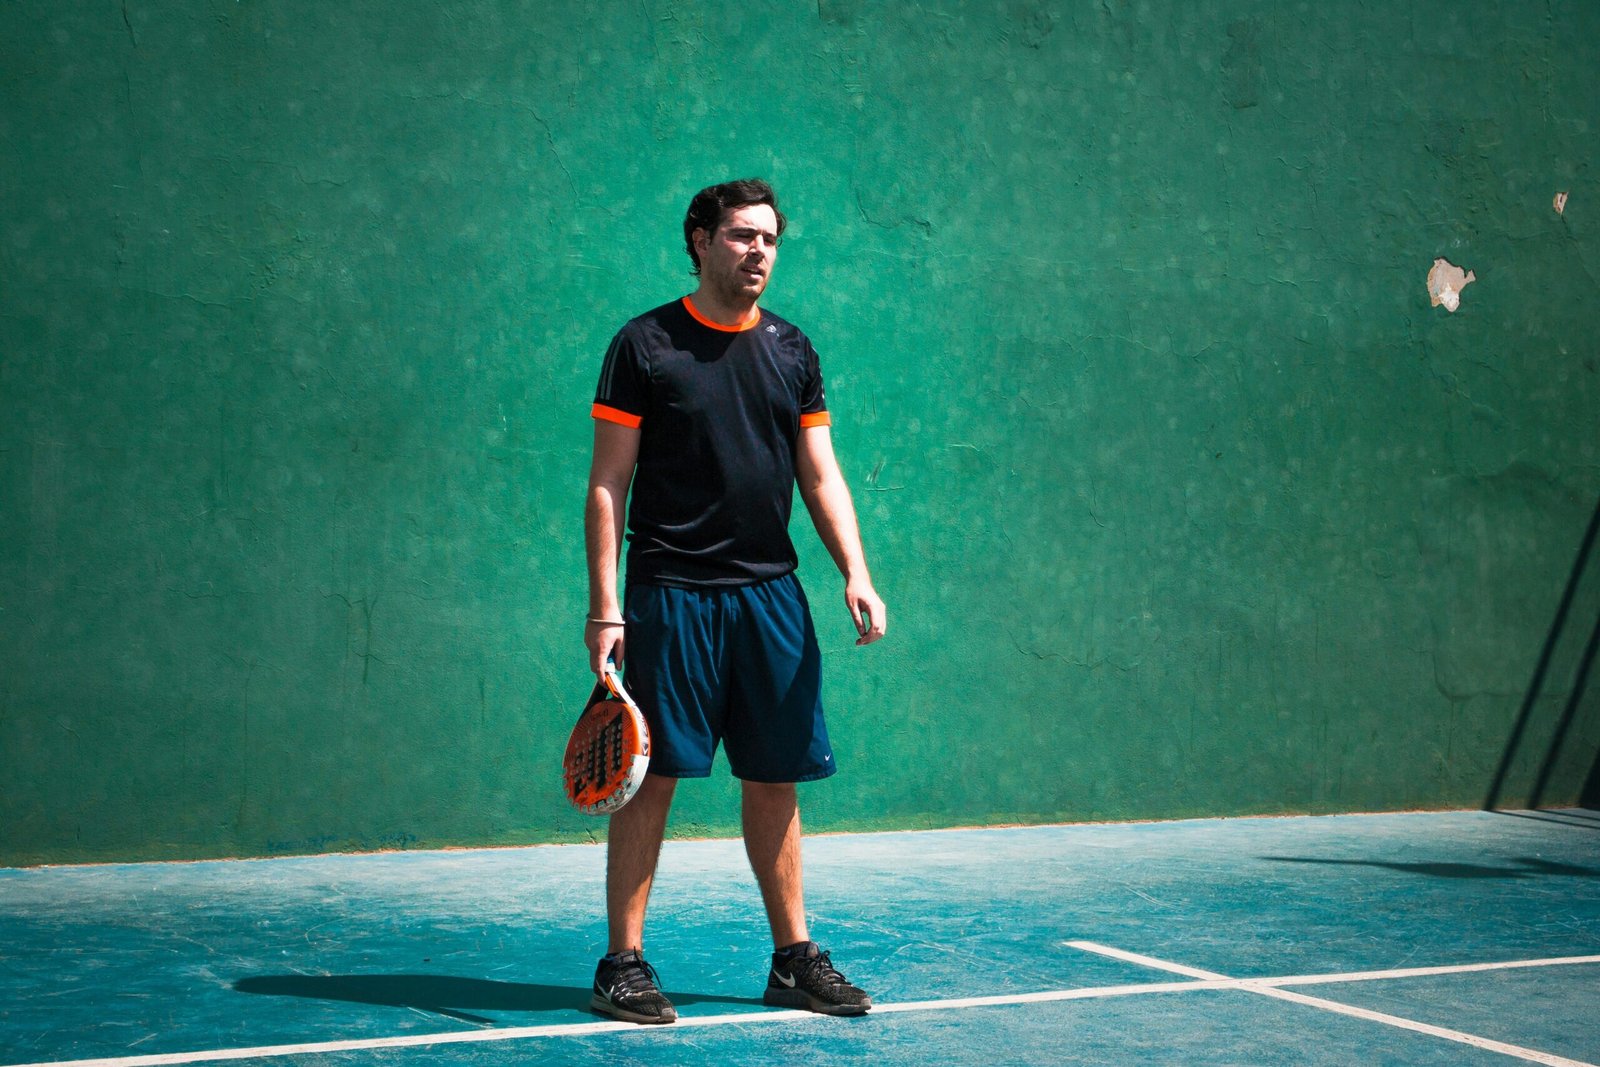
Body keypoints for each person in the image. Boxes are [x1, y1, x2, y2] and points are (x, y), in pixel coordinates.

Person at [583, 178, 887, 1025]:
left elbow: (818, 474)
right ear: (701, 240)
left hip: (770, 599)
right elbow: (609, 482)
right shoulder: (644, 345)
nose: (759, 252)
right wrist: (606, 605)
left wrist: (854, 572)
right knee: (650, 779)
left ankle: (793, 959)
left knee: (777, 774)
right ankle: (623, 962)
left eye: (771, 240)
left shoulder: (793, 350)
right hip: (671, 595)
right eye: (743, 236)